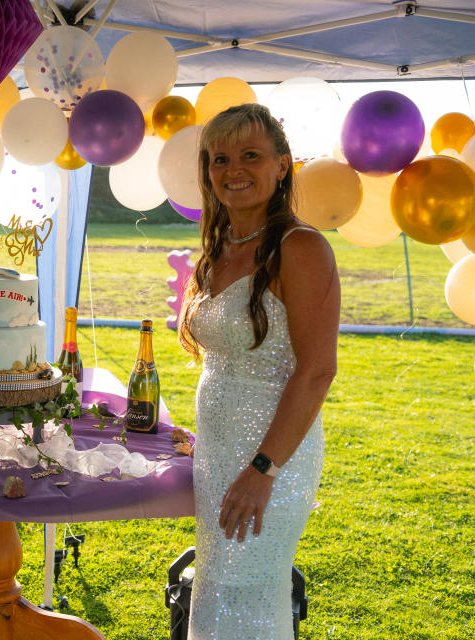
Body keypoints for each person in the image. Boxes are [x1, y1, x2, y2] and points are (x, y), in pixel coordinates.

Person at [177, 103, 340, 640]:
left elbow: (316, 371)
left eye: (250, 155)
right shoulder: (220, 247)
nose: (233, 170)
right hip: (220, 453)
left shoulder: (302, 248)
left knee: (246, 598)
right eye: (219, 158)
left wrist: (262, 470)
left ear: (283, 165)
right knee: (216, 592)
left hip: (271, 460)